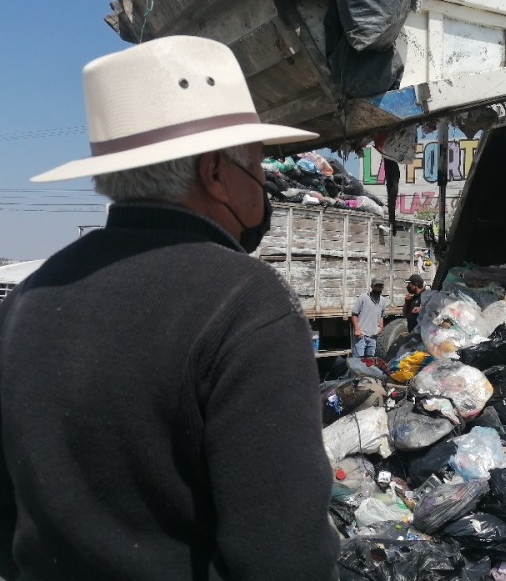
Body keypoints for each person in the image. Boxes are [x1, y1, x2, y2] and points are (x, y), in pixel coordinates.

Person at [0, 36, 340, 581]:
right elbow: (283, 554)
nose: (266, 182)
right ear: (214, 172)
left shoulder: (26, 300)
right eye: (257, 163)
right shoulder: (246, 302)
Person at [351, 278, 386, 357]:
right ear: (372, 286)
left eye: (380, 286)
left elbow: (381, 315)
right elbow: (354, 314)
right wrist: (357, 329)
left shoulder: (383, 300)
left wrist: (381, 326)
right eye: (376, 286)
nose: (378, 288)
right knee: (358, 363)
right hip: (361, 336)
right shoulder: (363, 298)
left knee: (370, 363)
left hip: (373, 337)